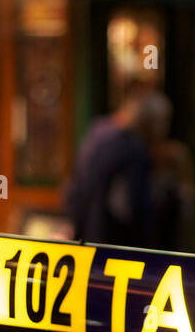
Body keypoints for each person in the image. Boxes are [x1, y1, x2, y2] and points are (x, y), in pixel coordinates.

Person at [65, 82, 171, 247]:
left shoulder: (96, 132)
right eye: (159, 124)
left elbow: (74, 191)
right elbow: (133, 207)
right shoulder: (132, 148)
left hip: (88, 239)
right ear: (147, 122)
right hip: (115, 247)